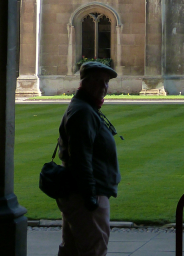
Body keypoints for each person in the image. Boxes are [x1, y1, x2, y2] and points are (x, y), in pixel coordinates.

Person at [56, 61, 121, 256]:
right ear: (85, 83)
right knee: (94, 250)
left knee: (71, 251)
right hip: (87, 196)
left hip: (79, 193)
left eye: (106, 82)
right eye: (98, 81)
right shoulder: (83, 111)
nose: (104, 87)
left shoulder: (84, 107)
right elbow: (80, 157)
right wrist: (90, 196)